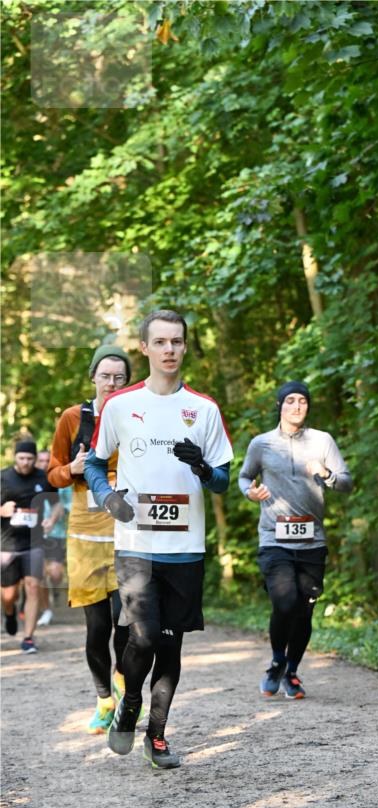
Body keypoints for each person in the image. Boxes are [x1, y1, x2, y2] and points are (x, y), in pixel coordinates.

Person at [85, 309, 233, 769]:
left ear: (185, 347)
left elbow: (223, 480)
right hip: (135, 545)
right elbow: (93, 462)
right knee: (143, 637)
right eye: (161, 342)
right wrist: (109, 497)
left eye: (178, 342)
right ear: (145, 349)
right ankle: (129, 705)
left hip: (185, 547)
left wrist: (204, 469)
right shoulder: (121, 405)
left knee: (170, 645)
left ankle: (158, 735)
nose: (170, 349)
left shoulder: (204, 408)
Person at [239, 380, 353, 699]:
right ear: (280, 406)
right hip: (273, 538)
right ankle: (277, 660)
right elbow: (245, 475)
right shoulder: (261, 444)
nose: (297, 407)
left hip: (312, 541)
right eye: (290, 401)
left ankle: (291, 672)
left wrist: (327, 475)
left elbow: (346, 482)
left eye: (302, 401)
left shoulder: (322, 441)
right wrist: (249, 491)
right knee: (285, 600)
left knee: (304, 609)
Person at [47, 345, 133, 734]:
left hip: (128, 534)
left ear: (127, 381)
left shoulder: (137, 414)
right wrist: (72, 468)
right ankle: (104, 699)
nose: (111, 383)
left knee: (127, 624)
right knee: (97, 627)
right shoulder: (71, 419)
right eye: (105, 376)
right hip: (84, 536)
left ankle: (123, 680)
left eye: (119, 377)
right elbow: (52, 475)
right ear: (92, 377)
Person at [1, 440, 58, 653]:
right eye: (21, 458)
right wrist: (2, 510)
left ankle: (28, 638)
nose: (25, 463)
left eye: (29, 459)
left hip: (34, 542)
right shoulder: (3, 477)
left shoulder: (43, 478)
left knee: (33, 587)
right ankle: (9, 613)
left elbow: (56, 503)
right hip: (7, 544)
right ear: (15, 457)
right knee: (8, 595)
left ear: (35, 459)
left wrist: (52, 519)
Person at [35, 450, 68, 627]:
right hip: (35, 536)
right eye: (40, 460)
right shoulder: (30, 482)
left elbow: (65, 506)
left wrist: (53, 520)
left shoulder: (61, 481)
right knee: (38, 574)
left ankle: (53, 589)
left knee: (55, 574)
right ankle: (46, 609)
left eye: (47, 461)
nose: (43, 463)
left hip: (58, 533)